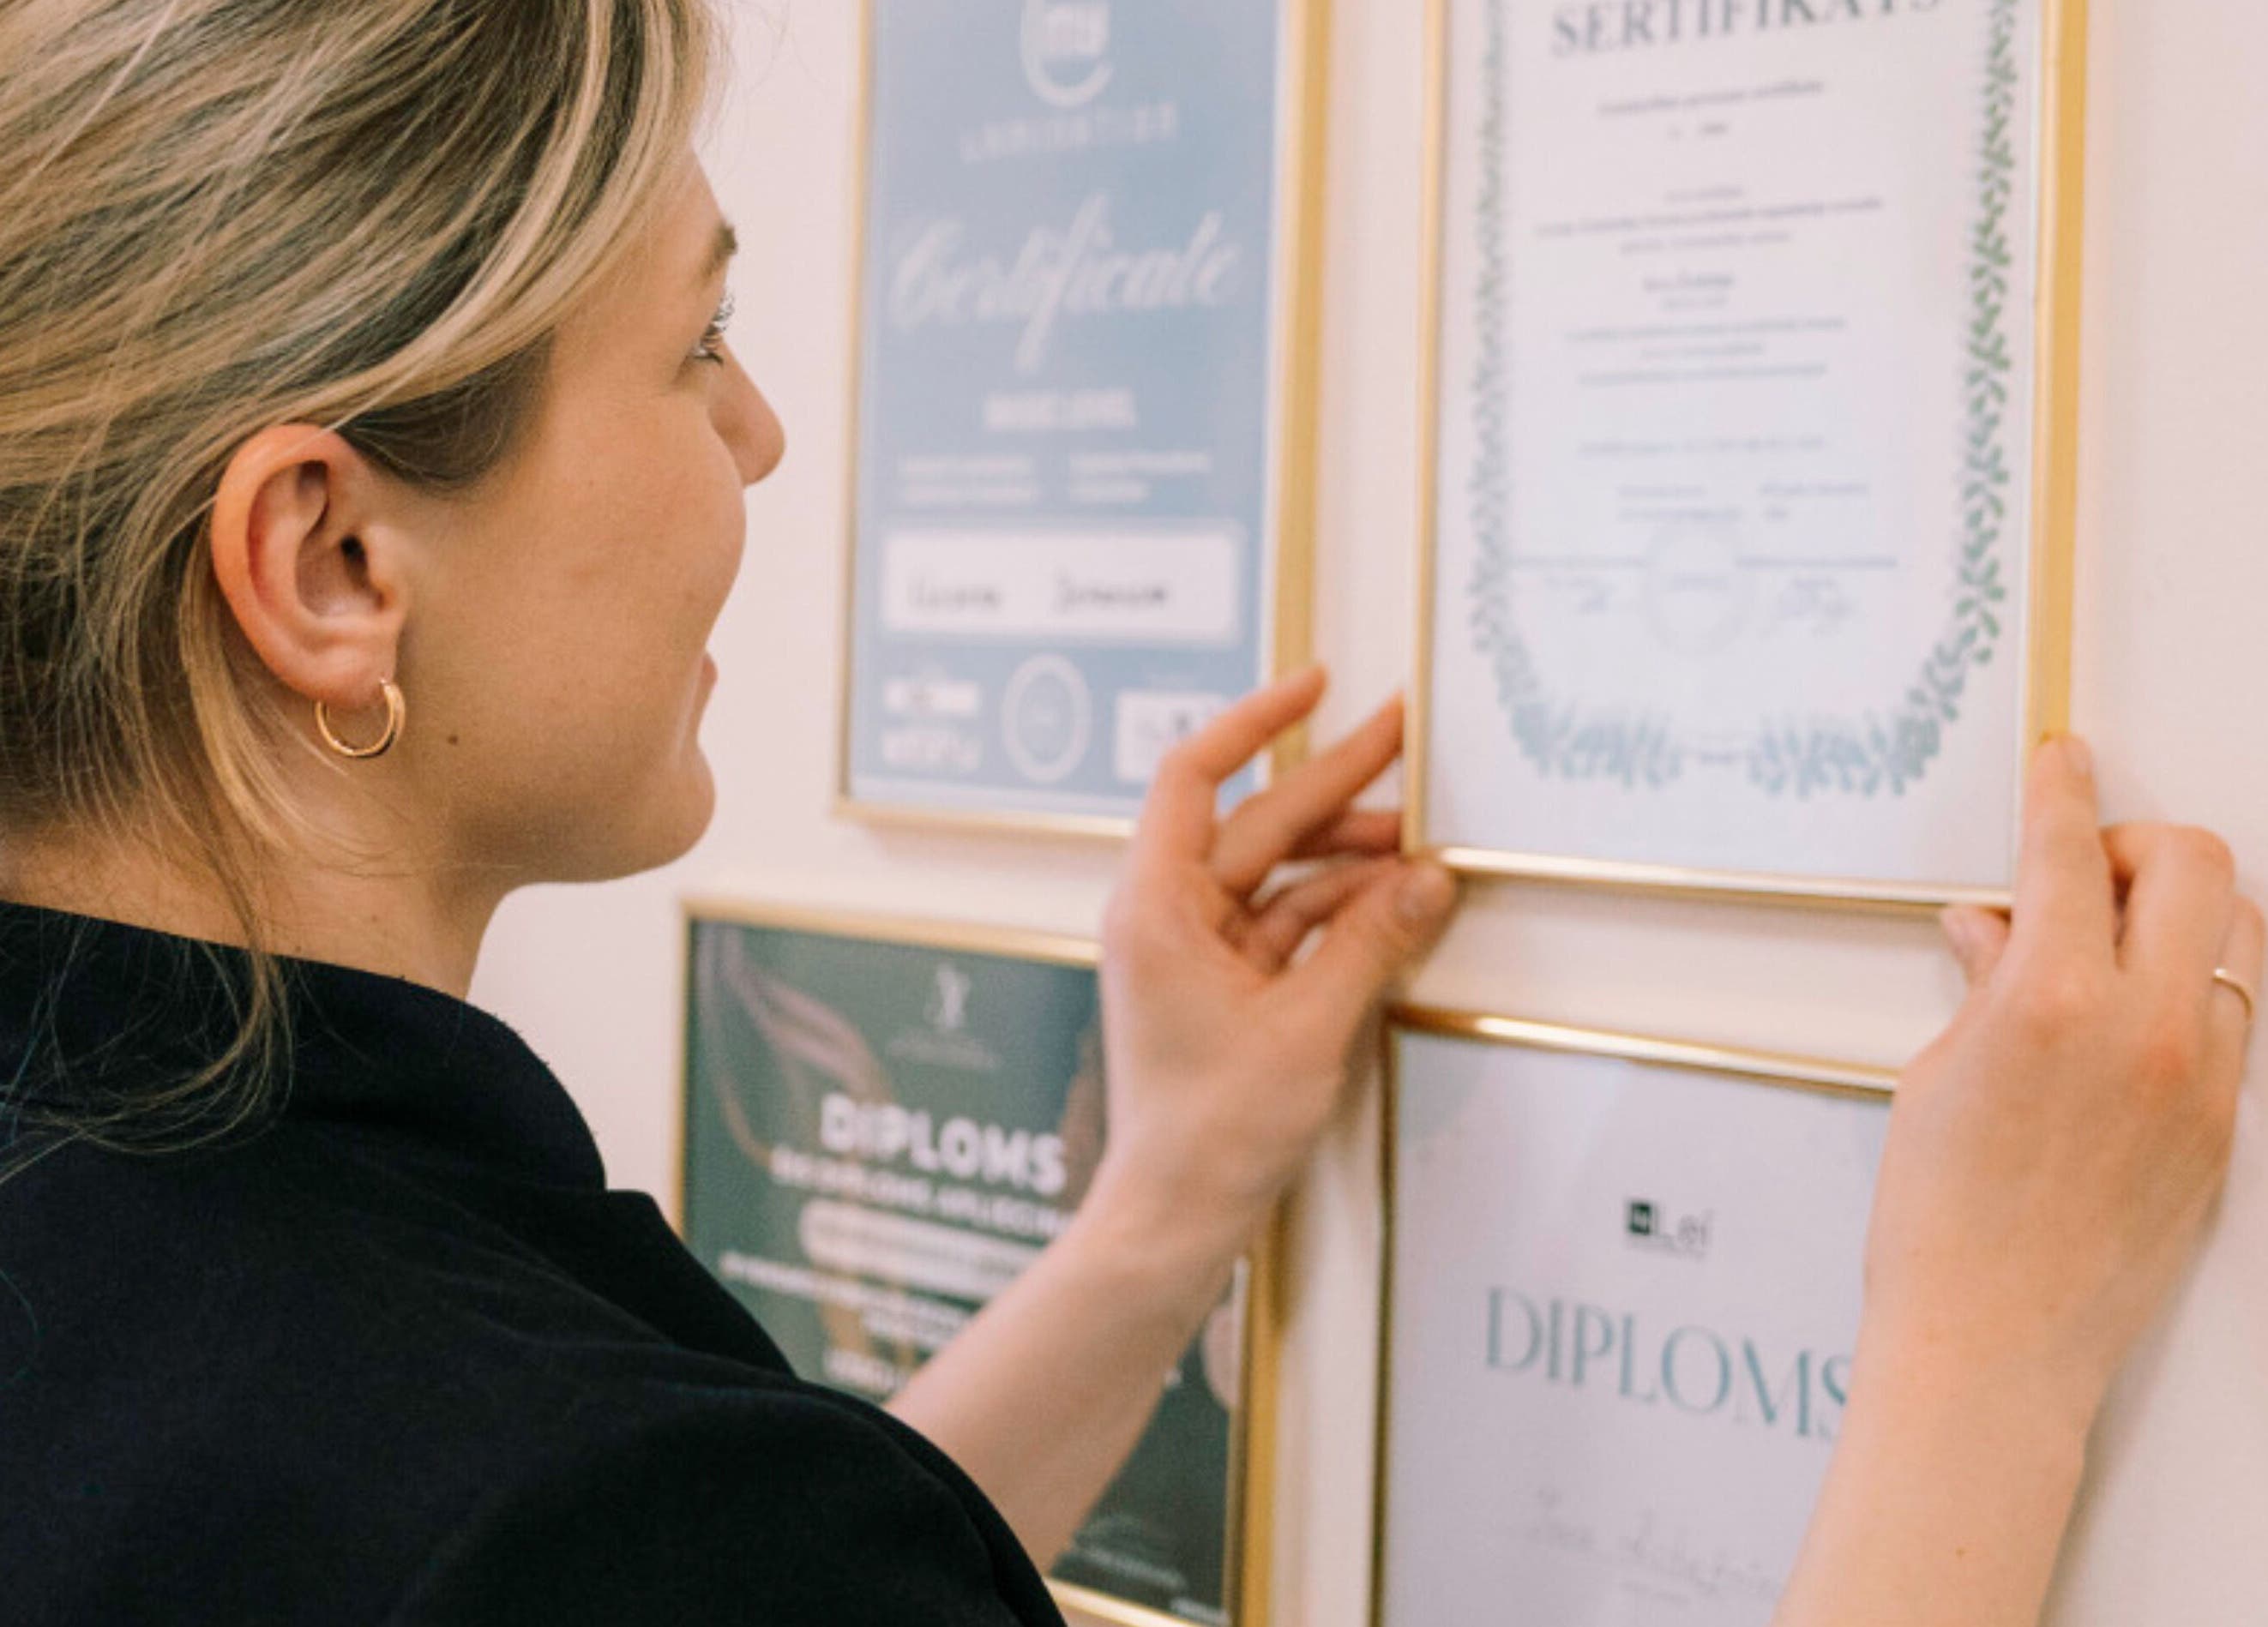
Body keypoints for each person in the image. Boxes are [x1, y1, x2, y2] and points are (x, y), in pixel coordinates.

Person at [0, 3, 2254, 1624]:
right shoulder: (545, 1493)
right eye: (696, 350)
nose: (764, 432)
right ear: (330, 565)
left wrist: (1165, 1200)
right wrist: (1997, 1350)